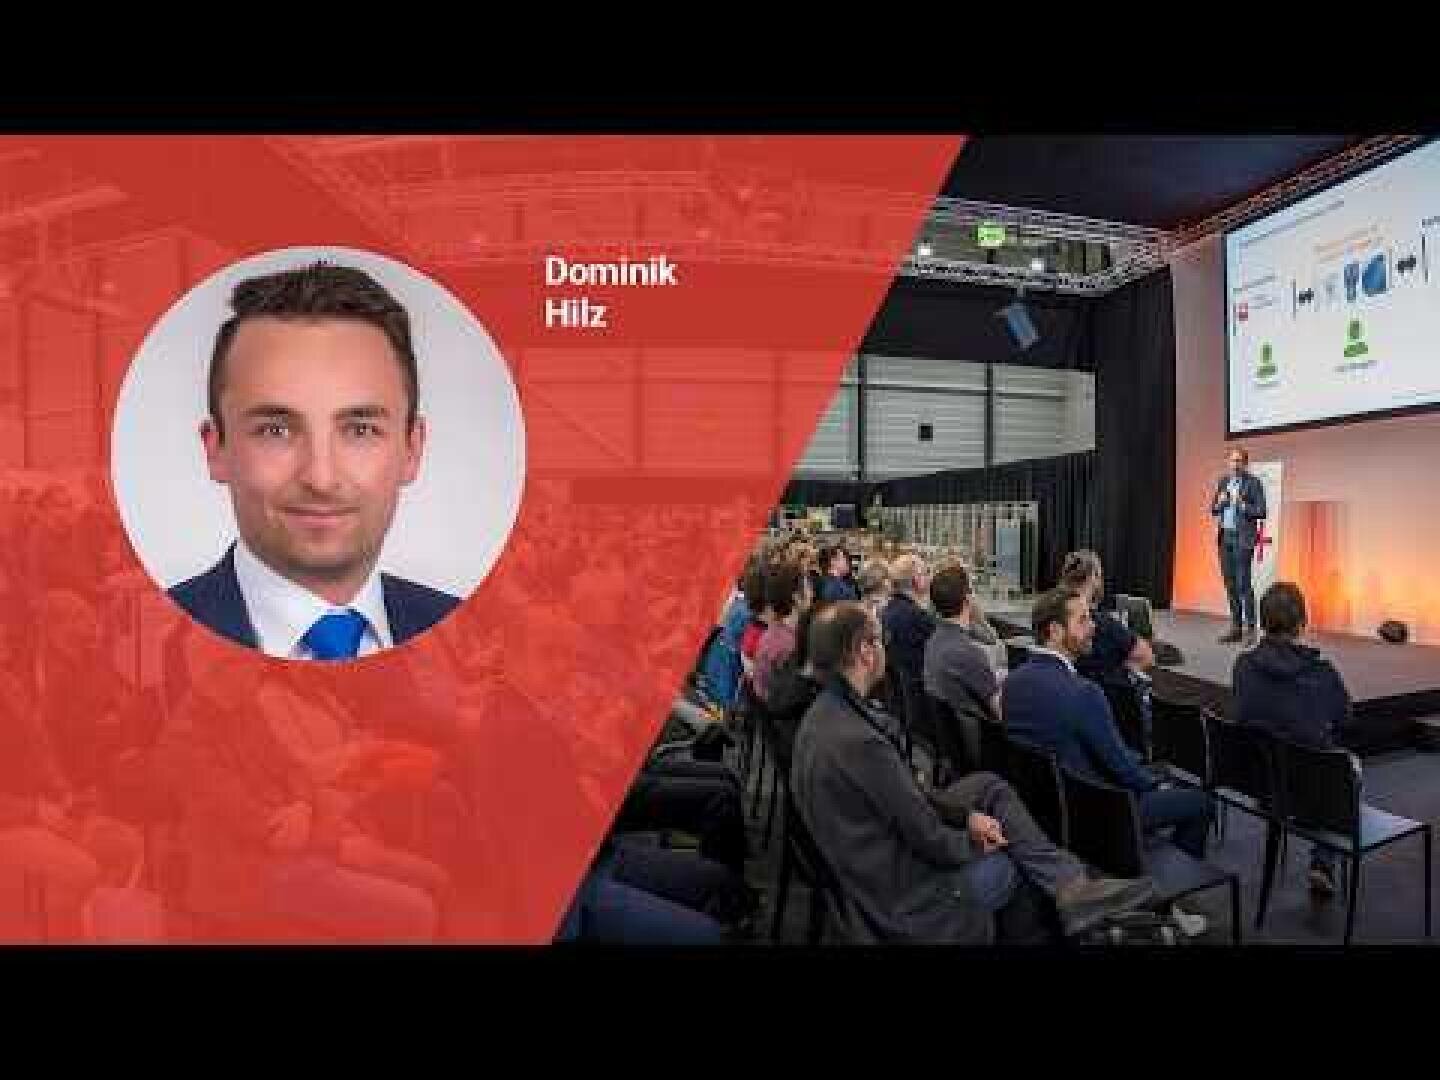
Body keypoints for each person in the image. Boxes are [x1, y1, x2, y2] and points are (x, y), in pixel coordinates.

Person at [789, 602, 1156, 943]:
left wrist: (965, 816)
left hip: (874, 869)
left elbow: (902, 798)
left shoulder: (826, 716)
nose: (886, 645)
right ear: (863, 651)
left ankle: (1071, 888)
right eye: (880, 638)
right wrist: (975, 841)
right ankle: (1066, 900)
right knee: (1009, 864)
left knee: (988, 788)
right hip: (906, 897)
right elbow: (929, 838)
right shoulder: (858, 742)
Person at [168, 261, 459, 661]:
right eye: (276, 431)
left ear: (412, 449)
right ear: (216, 448)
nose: (320, 479)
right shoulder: (140, 645)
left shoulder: (467, 633)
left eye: (359, 430)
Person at [1003, 590, 1215, 876]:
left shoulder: (1012, 684)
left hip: (1044, 807)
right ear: (1054, 631)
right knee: (1200, 802)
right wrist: (1155, 785)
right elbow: (1122, 768)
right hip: (1101, 812)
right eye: (1083, 620)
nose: (1093, 627)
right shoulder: (1084, 693)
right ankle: (1166, 898)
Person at [1233, 581, 1353, 896]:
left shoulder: (1243, 666)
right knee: (1342, 764)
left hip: (1258, 783)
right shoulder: (1322, 673)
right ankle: (1323, 861)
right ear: (1302, 623)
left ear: (1262, 621)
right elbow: (1345, 719)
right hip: (1309, 790)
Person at [924, 564, 1001, 722]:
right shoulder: (968, 654)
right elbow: (1000, 712)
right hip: (981, 740)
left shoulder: (933, 641)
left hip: (951, 741)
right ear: (968, 600)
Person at [1210, 447, 1267, 645]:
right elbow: (1213, 508)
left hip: (1243, 539)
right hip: (1225, 537)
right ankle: (1236, 626)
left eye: (1238, 461)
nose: (1234, 465)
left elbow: (1261, 510)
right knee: (1230, 584)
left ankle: (1251, 629)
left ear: (1245, 463)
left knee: (1244, 584)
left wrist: (1242, 504)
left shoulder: (1253, 483)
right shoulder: (1223, 481)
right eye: (1232, 461)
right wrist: (1221, 503)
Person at [752, 560, 811, 703]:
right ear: (796, 597)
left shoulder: (775, 631)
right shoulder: (788, 645)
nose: (811, 592)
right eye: (808, 587)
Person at [880, 552, 936, 685]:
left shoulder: (889, 609)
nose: (929, 577)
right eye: (925, 572)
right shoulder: (917, 617)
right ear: (916, 579)